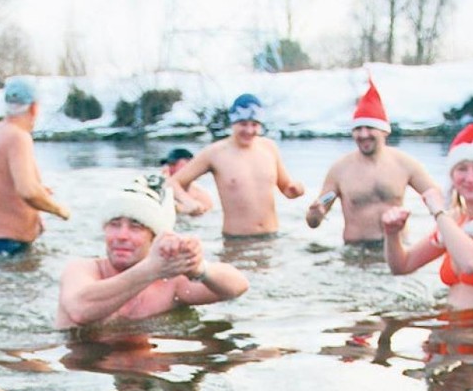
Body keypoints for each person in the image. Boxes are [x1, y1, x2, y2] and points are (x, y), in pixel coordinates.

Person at [55, 175, 248, 328]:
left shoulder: (169, 286)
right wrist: (151, 269)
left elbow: (237, 287)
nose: (122, 235)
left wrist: (198, 268)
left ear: (154, 237)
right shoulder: (83, 269)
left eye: (136, 227)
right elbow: (80, 311)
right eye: (114, 225)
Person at [382, 123, 473, 310]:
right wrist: (392, 234)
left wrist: (438, 212)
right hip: (450, 326)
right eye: (461, 169)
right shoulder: (455, 218)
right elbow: (402, 266)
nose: (469, 178)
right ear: (452, 176)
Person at [305, 78, 435, 244]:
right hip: (356, 253)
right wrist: (315, 214)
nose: (363, 134)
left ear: (384, 131)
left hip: (397, 249)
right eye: (358, 129)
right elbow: (313, 222)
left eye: (369, 128)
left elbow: (438, 199)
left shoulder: (405, 164)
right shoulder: (340, 170)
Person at [166, 94, 304, 237]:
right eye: (243, 124)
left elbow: (287, 188)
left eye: (254, 124)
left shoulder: (269, 148)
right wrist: (188, 202)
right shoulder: (215, 153)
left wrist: (296, 190)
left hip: (271, 237)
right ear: (233, 123)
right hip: (235, 241)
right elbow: (172, 183)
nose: (249, 130)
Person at [0, 77, 70, 255]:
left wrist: (38, 192)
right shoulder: (19, 136)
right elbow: (28, 191)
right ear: (34, 108)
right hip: (9, 245)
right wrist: (59, 210)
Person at [160, 147, 214, 214]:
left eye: (174, 164)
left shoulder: (201, 196)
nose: (170, 168)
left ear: (190, 166)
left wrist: (179, 208)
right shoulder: (159, 187)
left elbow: (200, 211)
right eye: (169, 164)